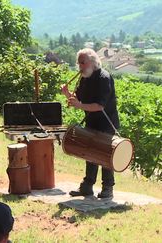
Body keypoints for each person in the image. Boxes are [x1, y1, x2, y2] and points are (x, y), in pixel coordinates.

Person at [61, 48, 120, 199]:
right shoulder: (84, 78)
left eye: (82, 62)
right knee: (89, 153)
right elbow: (77, 100)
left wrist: (79, 105)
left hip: (106, 123)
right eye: (78, 63)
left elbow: (99, 106)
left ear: (93, 62)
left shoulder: (104, 78)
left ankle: (108, 188)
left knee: (106, 155)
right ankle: (87, 187)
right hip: (92, 121)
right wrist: (67, 93)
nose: (79, 66)